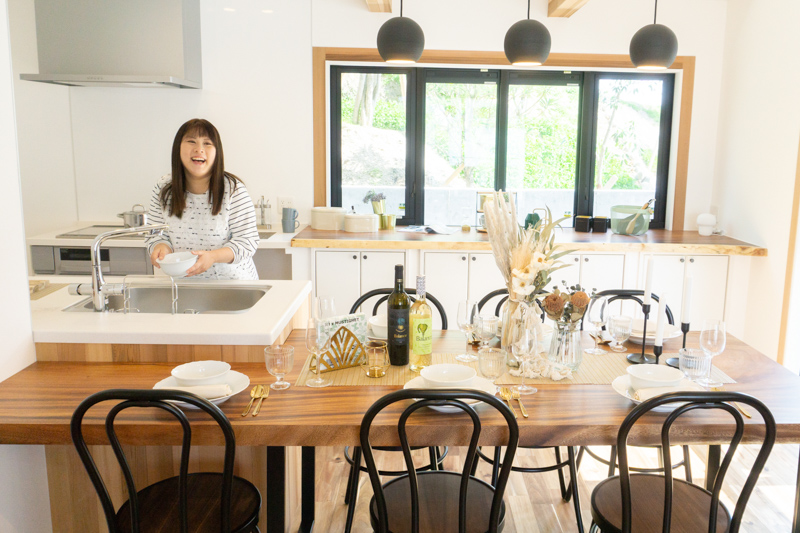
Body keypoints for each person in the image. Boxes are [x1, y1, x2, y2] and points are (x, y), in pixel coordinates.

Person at [146, 118, 260, 280]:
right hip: (184, 285)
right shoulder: (163, 188)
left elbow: (247, 242)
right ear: (178, 148)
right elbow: (155, 234)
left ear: (217, 152)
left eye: (207, 143)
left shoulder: (233, 189)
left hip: (233, 284)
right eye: (191, 141)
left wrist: (213, 257)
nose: (199, 149)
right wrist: (161, 247)